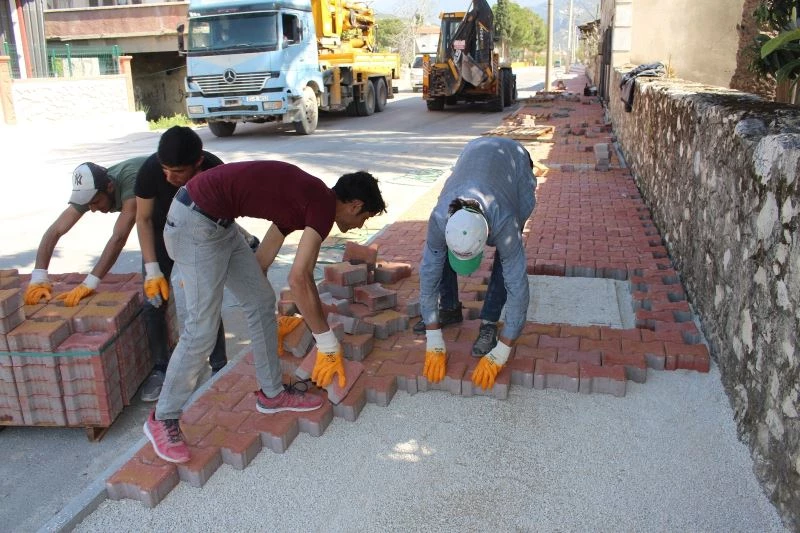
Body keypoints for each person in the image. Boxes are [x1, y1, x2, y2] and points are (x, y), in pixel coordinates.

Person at [143, 160, 387, 463]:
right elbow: (299, 278)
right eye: (365, 217)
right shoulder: (322, 205)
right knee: (201, 330)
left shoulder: (308, 199)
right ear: (355, 205)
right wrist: (327, 344)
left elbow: (262, 261)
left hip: (220, 226)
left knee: (259, 300)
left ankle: (272, 395)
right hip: (194, 224)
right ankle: (162, 417)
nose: (361, 225)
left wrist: (282, 323)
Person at [135, 126, 260, 402]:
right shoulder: (150, 170)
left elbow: (226, 220)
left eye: (177, 171)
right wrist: (152, 268)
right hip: (159, 235)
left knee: (206, 300)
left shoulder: (216, 169)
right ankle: (160, 367)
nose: (169, 177)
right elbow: (142, 219)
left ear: (198, 162)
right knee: (153, 302)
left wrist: (243, 241)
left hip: (202, 236)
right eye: (165, 169)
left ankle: (218, 365)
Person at [416, 136, 536, 391]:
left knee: (506, 265)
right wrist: (433, 336)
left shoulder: (505, 223)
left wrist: (503, 350)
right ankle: (448, 308)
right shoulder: (440, 218)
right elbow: (428, 274)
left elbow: (519, 287)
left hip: (513, 166)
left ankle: (489, 323)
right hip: (474, 154)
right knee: (438, 256)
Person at [24, 157, 147, 307]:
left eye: (95, 202)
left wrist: (89, 284)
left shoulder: (131, 180)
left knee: (154, 275)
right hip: (152, 205)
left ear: (109, 187)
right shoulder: (92, 190)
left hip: (175, 195)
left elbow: (119, 237)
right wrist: (38, 277)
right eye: (89, 204)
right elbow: (55, 230)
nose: (93, 209)